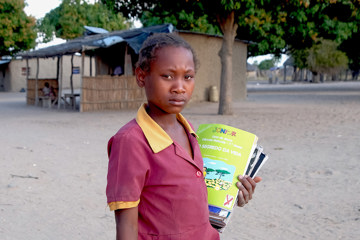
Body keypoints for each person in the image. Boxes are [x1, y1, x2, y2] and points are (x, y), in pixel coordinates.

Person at [106, 33, 262, 240]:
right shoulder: (130, 141)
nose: (179, 87)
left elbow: (193, 197)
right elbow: (126, 227)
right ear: (141, 76)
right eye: (168, 76)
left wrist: (234, 195)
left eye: (187, 77)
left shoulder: (190, 131)